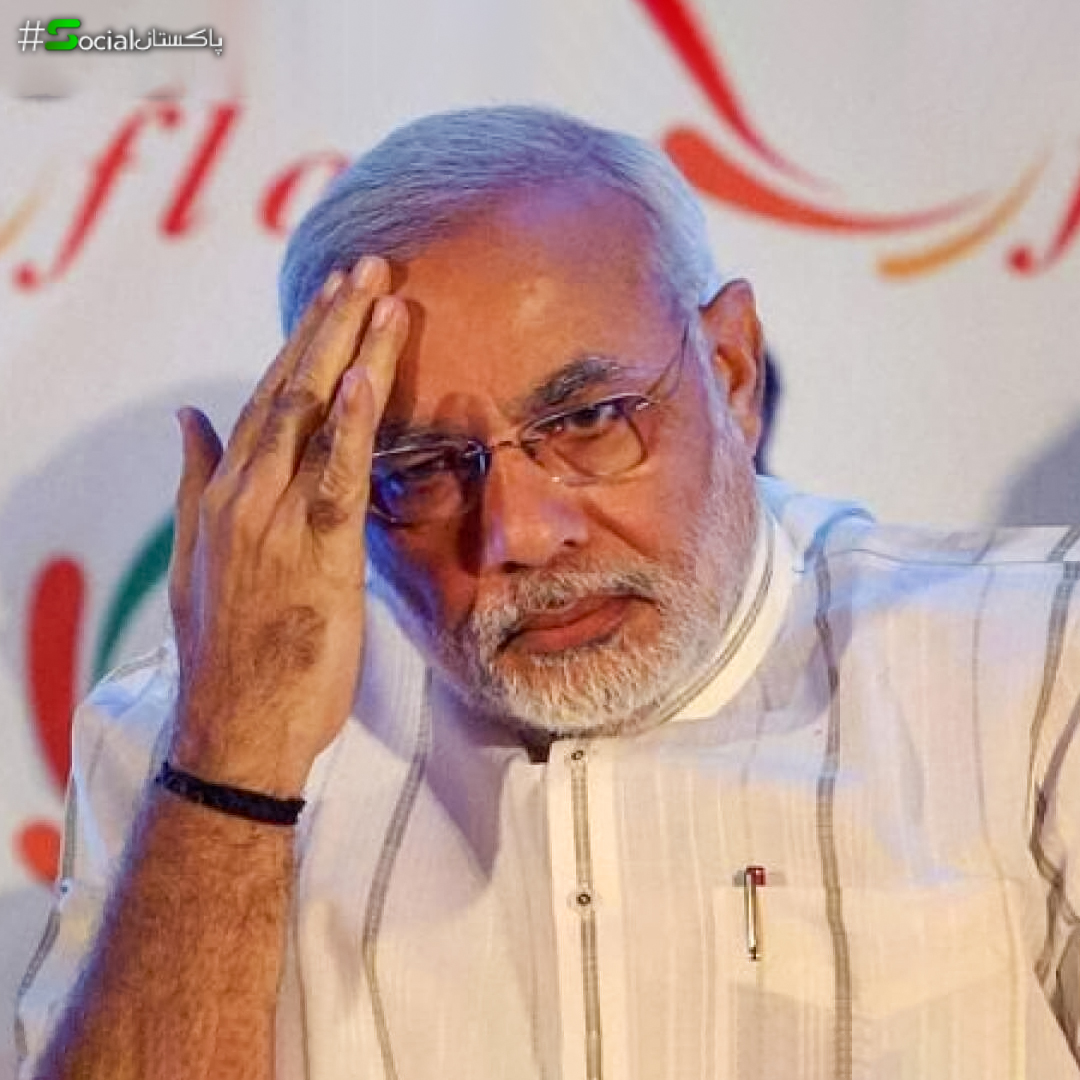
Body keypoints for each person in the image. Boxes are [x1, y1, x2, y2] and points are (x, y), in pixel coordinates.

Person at [16, 105, 1080, 1080]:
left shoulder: (1029, 675)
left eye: (587, 421)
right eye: (422, 466)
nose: (518, 533)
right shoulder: (187, 737)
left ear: (732, 371)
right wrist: (232, 761)